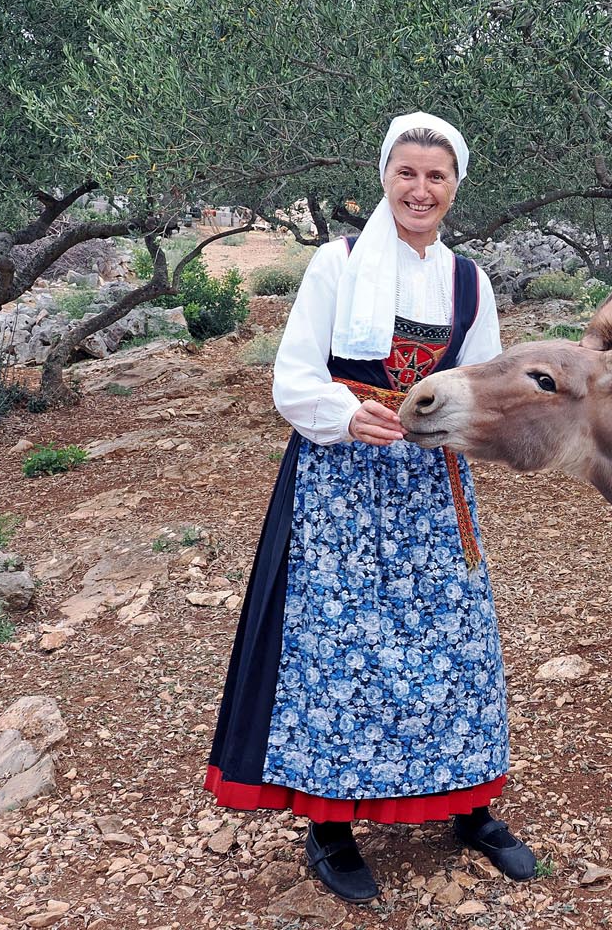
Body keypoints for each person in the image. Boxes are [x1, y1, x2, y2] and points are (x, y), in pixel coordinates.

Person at [205, 112, 535, 904]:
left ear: (455, 188)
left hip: (429, 486)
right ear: (385, 178)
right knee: (336, 653)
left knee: (452, 642)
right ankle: (330, 828)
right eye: (407, 173)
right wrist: (349, 417)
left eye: (437, 177)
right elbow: (292, 377)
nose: (420, 190)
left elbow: (483, 384)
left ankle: (467, 805)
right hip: (340, 488)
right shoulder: (336, 263)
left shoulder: (469, 282)